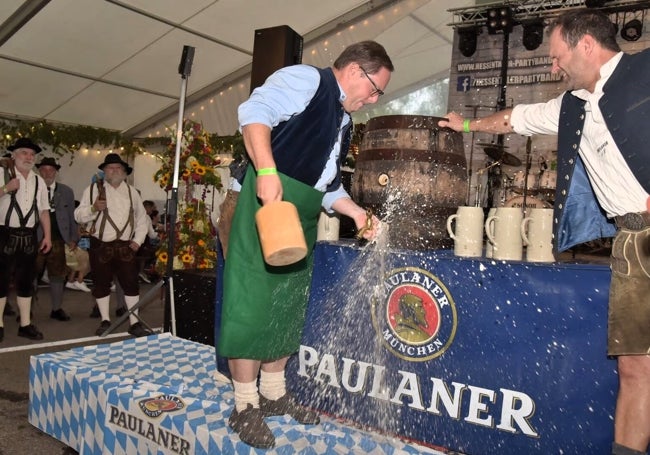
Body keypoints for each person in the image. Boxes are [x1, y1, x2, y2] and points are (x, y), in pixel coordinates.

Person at [438, 9, 649, 455]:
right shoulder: (569, 106)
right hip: (632, 243)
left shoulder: (646, 70)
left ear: (586, 46)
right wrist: (469, 126)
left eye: (557, 57)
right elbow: (516, 118)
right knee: (635, 369)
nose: (553, 67)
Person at [217, 40, 392, 449]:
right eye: (374, 89)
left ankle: (274, 393)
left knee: (286, 303)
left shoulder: (343, 121)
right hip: (264, 203)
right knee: (252, 302)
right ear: (354, 72)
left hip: (303, 210)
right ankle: (244, 405)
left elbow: (327, 184)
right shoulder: (306, 80)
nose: (373, 99)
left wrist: (356, 213)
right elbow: (253, 115)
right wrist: (265, 169)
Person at [74, 153, 152, 338]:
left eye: (118, 168)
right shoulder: (92, 190)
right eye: (110, 168)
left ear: (125, 172)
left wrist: (137, 241)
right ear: (104, 171)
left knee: (131, 284)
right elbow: (78, 215)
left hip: (126, 246)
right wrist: (93, 209)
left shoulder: (133, 192)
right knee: (101, 284)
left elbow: (142, 219)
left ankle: (134, 323)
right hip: (100, 245)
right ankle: (105, 320)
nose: (114, 171)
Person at [0, 138, 52, 342]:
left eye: (32, 154)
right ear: (13, 155)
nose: (28, 157)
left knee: (26, 281)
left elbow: (44, 211)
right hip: (3, 233)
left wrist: (47, 235)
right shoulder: (2, 174)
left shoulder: (38, 180)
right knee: (0, 281)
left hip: (29, 235)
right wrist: (5, 189)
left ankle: (25, 324)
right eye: (24, 153)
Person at [34, 157, 80, 321]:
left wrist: (74, 237)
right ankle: (27, 311)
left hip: (60, 241)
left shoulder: (66, 191)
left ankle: (56, 309)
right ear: (38, 172)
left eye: (51, 170)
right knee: (32, 275)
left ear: (56, 172)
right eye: (44, 170)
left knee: (58, 276)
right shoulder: (31, 189)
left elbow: (72, 216)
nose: (47, 173)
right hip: (36, 240)